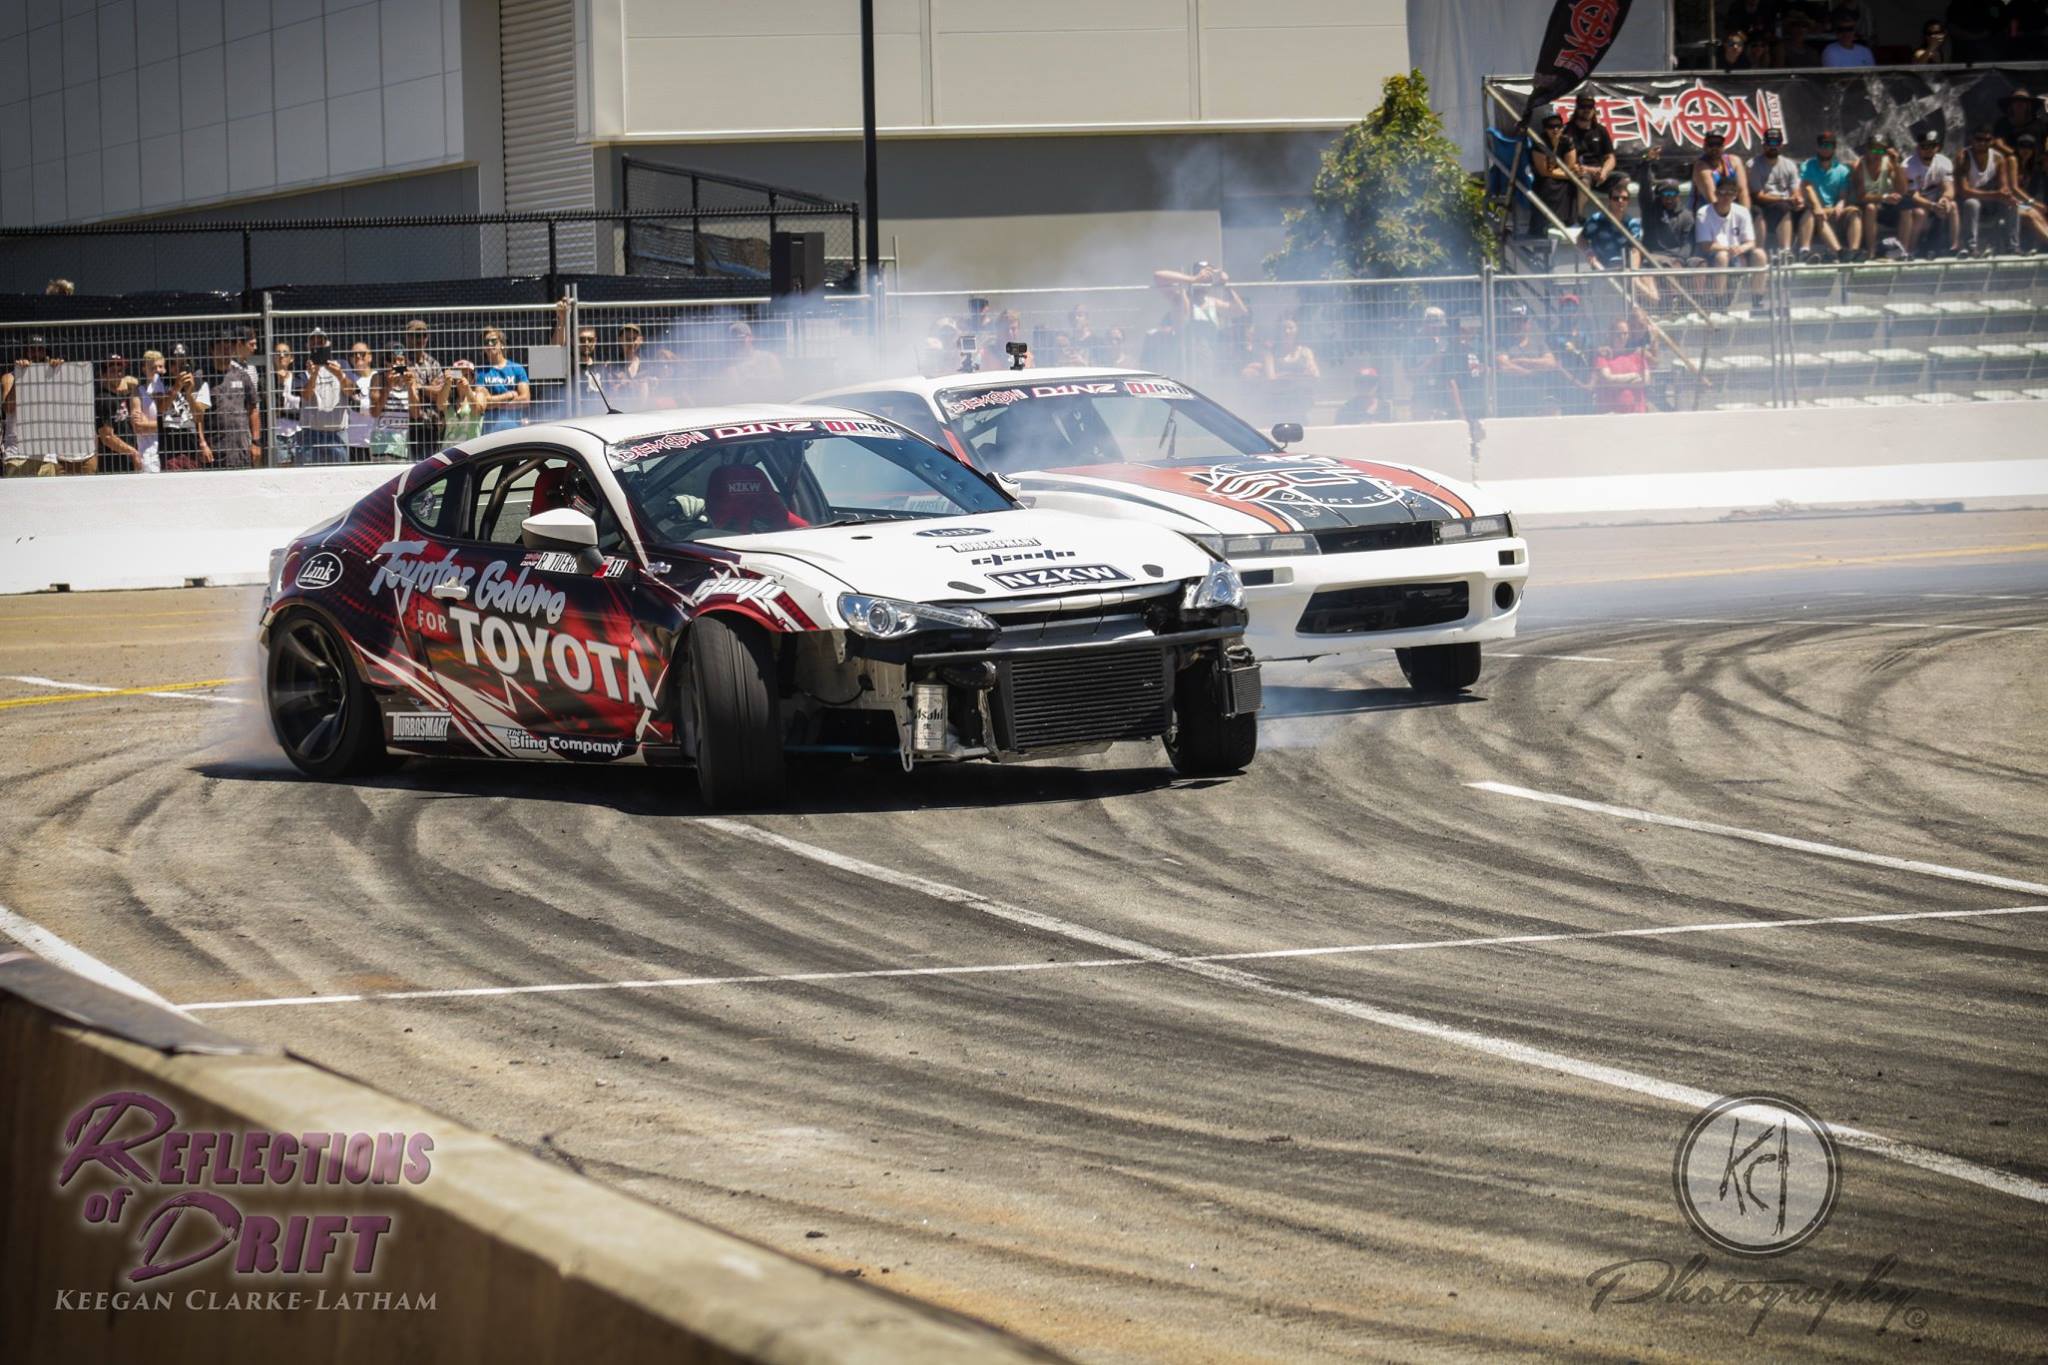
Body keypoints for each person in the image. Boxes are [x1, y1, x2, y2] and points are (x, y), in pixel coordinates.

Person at [1152, 263, 1246, 379]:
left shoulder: (1213, 303)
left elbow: (1240, 310)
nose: (1204, 282)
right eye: (1202, 275)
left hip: (1209, 361)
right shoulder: (1181, 300)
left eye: (1208, 277)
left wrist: (1226, 285)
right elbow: (1158, 276)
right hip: (1185, 363)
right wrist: (1193, 279)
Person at [1697, 180, 1770, 311]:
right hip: (1715, 254)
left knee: (1760, 254)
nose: (1726, 197)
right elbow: (1705, 245)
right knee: (1722, 256)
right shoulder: (1703, 213)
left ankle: (1757, 300)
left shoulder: (1742, 211)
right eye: (1722, 192)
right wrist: (1728, 249)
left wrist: (1741, 248)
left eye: (1730, 193)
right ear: (1716, 194)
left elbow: (1751, 242)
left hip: (1738, 252)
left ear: (1735, 196)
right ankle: (1719, 301)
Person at [204, 327, 261, 469]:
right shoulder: (202, 377)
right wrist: (202, 444)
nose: (226, 350)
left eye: (229, 346)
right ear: (212, 350)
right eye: (221, 346)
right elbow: (196, 416)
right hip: (214, 451)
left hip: (241, 449)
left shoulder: (242, 376)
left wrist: (255, 442)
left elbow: (253, 409)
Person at [1956, 127, 2020, 256]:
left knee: (2012, 204)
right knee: (1972, 203)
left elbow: (2004, 186)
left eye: (1987, 140)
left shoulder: (1998, 158)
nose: (1982, 143)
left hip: (1991, 200)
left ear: (1991, 141)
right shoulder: (1963, 157)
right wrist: (1994, 195)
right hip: (1969, 201)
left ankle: (2012, 247)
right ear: (1972, 140)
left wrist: (2006, 195)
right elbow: (1964, 191)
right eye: (1979, 139)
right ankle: (1971, 248)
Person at [1800, 130, 1860, 260]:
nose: (1825, 149)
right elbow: (1807, 186)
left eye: (1829, 146)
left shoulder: (1842, 170)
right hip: (1815, 211)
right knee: (1815, 213)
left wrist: (1840, 203)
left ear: (1834, 148)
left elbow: (1843, 195)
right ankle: (1838, 252)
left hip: (1832, 210)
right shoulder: (1808, 165)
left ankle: (1854, 252)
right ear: (1817, 147)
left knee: (1854, 212)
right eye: (1822, 145)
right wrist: (1817, 206)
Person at [295, 328, 351, 465]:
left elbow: (351, 391)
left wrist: (340, 375)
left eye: (321, 343)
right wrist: (313, 375)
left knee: (341, 478)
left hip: (337, 433)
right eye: (314, 343)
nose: (317, 346)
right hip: (311, 434)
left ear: (328, 344)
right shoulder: (302, 368)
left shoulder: (342, 365)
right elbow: (306, 395)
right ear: (308, 347)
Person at [1494, 306, 1562, 417]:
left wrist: (1523, 361)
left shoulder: (1539, 343)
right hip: (1510, 407)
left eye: (1521, 321)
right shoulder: (1503, 345)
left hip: (1537, 406)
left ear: (1528, 324)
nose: (1517, 324)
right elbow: (1503, 366)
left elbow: (1551, 363)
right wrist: (1531, 373)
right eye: (1513, 320)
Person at [1903, 129, 1961, 257]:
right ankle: (1910, 250)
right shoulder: (1908, 165)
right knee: (1920, 213)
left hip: (1936, 203)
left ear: (1938, 147)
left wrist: (1945, 199)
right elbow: (1913, 195)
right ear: (1918, 148)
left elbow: (1949, 188)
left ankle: (1954, 247)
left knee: (1953, 206)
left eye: (1932, 146)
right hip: (1916, 204)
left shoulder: (1944, 162)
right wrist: (1932, 206)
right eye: (1924, 146)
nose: (1928, 150)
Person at [151, 345, 209, 471]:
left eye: (183, 364)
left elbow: (199, 417)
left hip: (191, 448)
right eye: (173, 363)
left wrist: (189, 393)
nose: (177, 368)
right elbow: (160, 408)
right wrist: (176, 388)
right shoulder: (160, 382)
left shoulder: (199, 383)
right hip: (168, 447)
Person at [1750, 128, 1805, 258]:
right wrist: (1783, 199)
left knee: (1807, 209)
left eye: (1776, 143)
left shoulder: (1789, 164)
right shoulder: (1753, 164)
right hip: (1764, 204)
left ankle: (1805, 250)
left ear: (1781, 145)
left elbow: (1795, 188)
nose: (1772, 147)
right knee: (1783, 207)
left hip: (1785, 202)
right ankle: (1785, 250)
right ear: (1763, 145)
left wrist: (1798, 198)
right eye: (1769, 143)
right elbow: (1758, 195)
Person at [1852, 137, 1906, 258]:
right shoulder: (1860, 166)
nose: (1877, 155)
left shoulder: (1888, 163)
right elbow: (1861, 197)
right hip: (1866, 207)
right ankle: (1871, 251)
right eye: (1874, 151)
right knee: (1871, 208)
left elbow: (1902, 190)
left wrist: (1897, 164)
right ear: (1867, 150)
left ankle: (1904, 250)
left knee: (1906, 207)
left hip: (1885, 205)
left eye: (1881, 151)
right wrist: (1884, 197)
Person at [1564, 94, 1617, 212]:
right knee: (1583, 181)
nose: (1587, 110)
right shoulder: (1567, 131)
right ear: (1577, 108)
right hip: (1579, 172)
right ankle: (1578, 217)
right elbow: (1565, 160)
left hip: (1599, 174)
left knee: (1623, 179)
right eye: (1583, 106)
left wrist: (1604, 172)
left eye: (1590, 106)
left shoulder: (1600, 130)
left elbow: (1610, 157)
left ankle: (1617, 218)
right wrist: (1588, 170)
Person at [399, 318, 445, 453]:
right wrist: (430, 387)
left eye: (423, 335)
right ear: (407, 337)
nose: (420, 339)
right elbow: (402, 389)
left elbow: (439, 393)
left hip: (431, 424)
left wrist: (418, 386)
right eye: (415, 335)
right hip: (408, 424)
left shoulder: (433, 363)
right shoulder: (402, 362)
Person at [474, 326, 530, 432]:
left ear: (502, 345)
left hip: (515, 430)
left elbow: (525, 399)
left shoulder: (517, 368)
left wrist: (494, 401)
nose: (490, 345)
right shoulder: (480, 373)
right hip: (489, 432)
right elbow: (482, 403)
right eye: (486, 342)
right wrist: (508, 396)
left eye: (494, 341)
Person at [94, 353, 142, 474]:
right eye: (113, 370)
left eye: (121, 370)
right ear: (104, 375)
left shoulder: (120, 395)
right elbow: (107, 437)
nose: (119, 374)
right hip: (113, 464)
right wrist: (132, 452)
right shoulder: (104, 399)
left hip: (126, 460)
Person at [1528, 113, 1577, 231]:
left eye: (1558, 126)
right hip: (1541, 177)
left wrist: (1564, 174)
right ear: (1545, 128)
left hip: (1561, 174)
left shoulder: (1567, 140)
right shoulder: (1539, 143)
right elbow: (1543, 171)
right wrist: (1567, 175)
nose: (1555, 129)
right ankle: (1543, 224)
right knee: (1547, 184)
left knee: (1573, 185)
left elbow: (1569, 165)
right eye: (1551, 126)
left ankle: (1567, 221)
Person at [1592, 317, 1651, 415]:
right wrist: (1633, 376)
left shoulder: (1637, 356)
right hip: (1611, 415)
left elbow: (1646, 381)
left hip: (1637, 414)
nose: (1622, 337)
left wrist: (1616, 382)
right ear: (1611, 335)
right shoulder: (1603, 357)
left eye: (1625, 333)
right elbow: (1607, 380)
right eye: (1618, 334)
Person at [368, 343, 416, 460]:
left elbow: (416, 413)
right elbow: (374, 412)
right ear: (385, 362)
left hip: (401, 439)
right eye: (393, 360)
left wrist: (410, 386)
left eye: (401, 360)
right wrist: (388, 387)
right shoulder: (378, 378)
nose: (397, 364)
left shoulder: (410, 379)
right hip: (381, 440)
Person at [1642, 181, 1700, 265]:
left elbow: (1688, 244)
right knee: (1666, 264)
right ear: (1660, 196)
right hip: (1655, 255)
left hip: (1679, 257)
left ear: (1678, 196)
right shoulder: (1650, 212)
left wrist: (1680, 260)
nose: (1669, 198)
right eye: (1665, 194)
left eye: (1672, 193)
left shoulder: (1687, 216)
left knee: (1700, 263)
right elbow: (1645, 192)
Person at [722, 320, 787, 392]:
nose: (738, 342)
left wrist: (755, 381)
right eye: (734, 339)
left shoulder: (768, 357)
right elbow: (736, 390)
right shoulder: (732, 366)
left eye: (741, 338)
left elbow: (780, 379)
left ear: (751, 337)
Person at [1692, 131, 1750, 213]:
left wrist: (1745, 214)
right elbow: (1713, 199)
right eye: (1711, 144)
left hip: (1729, 208)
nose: (1715, 148)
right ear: (1704, 147)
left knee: (1756, 212)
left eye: (1718, 144)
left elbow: (1742, 191)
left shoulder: (1735, 161)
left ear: (1723, 147)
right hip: (1706, 212)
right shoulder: (1701, 167)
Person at [2011, 133, 2048, 250]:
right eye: (2022, 146)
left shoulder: (2031, 168)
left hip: (2023, 205)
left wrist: (2033, 204)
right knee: (2030, 215)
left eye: (2029, 146)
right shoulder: (2012, 162)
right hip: (2009, 204)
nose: (2025, 150)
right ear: (2017, 148)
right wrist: (2033, 203)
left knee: (2039, 214)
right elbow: (2014, 188)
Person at [438, 359, 487, 444]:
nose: (462, 378)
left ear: (472, 379)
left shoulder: (479, 395)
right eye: (459, 374)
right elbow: (440, 405)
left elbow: (477, 410)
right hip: (448, 452)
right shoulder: (450, 398)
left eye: (466, 375)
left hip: (471, 452)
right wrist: (447, 383)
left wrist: (467, 389)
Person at [271, 340, 302, 465]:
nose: (281, 356)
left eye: (285, 353)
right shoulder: (268, 379)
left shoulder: (299, 379)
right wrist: (279, 382)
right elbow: (273, 410)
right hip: (278, 434)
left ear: (291, 358)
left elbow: (303, 408)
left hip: (298, 433)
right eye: (277, 353)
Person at [344, 339, 376, 459]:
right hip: (352, 442)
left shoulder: (377, 378)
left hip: (374, 443)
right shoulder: (347, 379)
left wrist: (360, 405)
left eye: (362, 354)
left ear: (370, 357)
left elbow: (376, 409)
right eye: (353, 354)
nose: (357, 356)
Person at [1994, 89, 2046, 157]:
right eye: (2016, 101)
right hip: (2011, 161)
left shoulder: (2040, 123)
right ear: (2011, 105)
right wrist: (2016, 155)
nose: (2020, 103)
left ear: (2029, 105)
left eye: (2023, 101)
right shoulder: (2002, 123)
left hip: (2037, 163)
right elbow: (1998, 143)